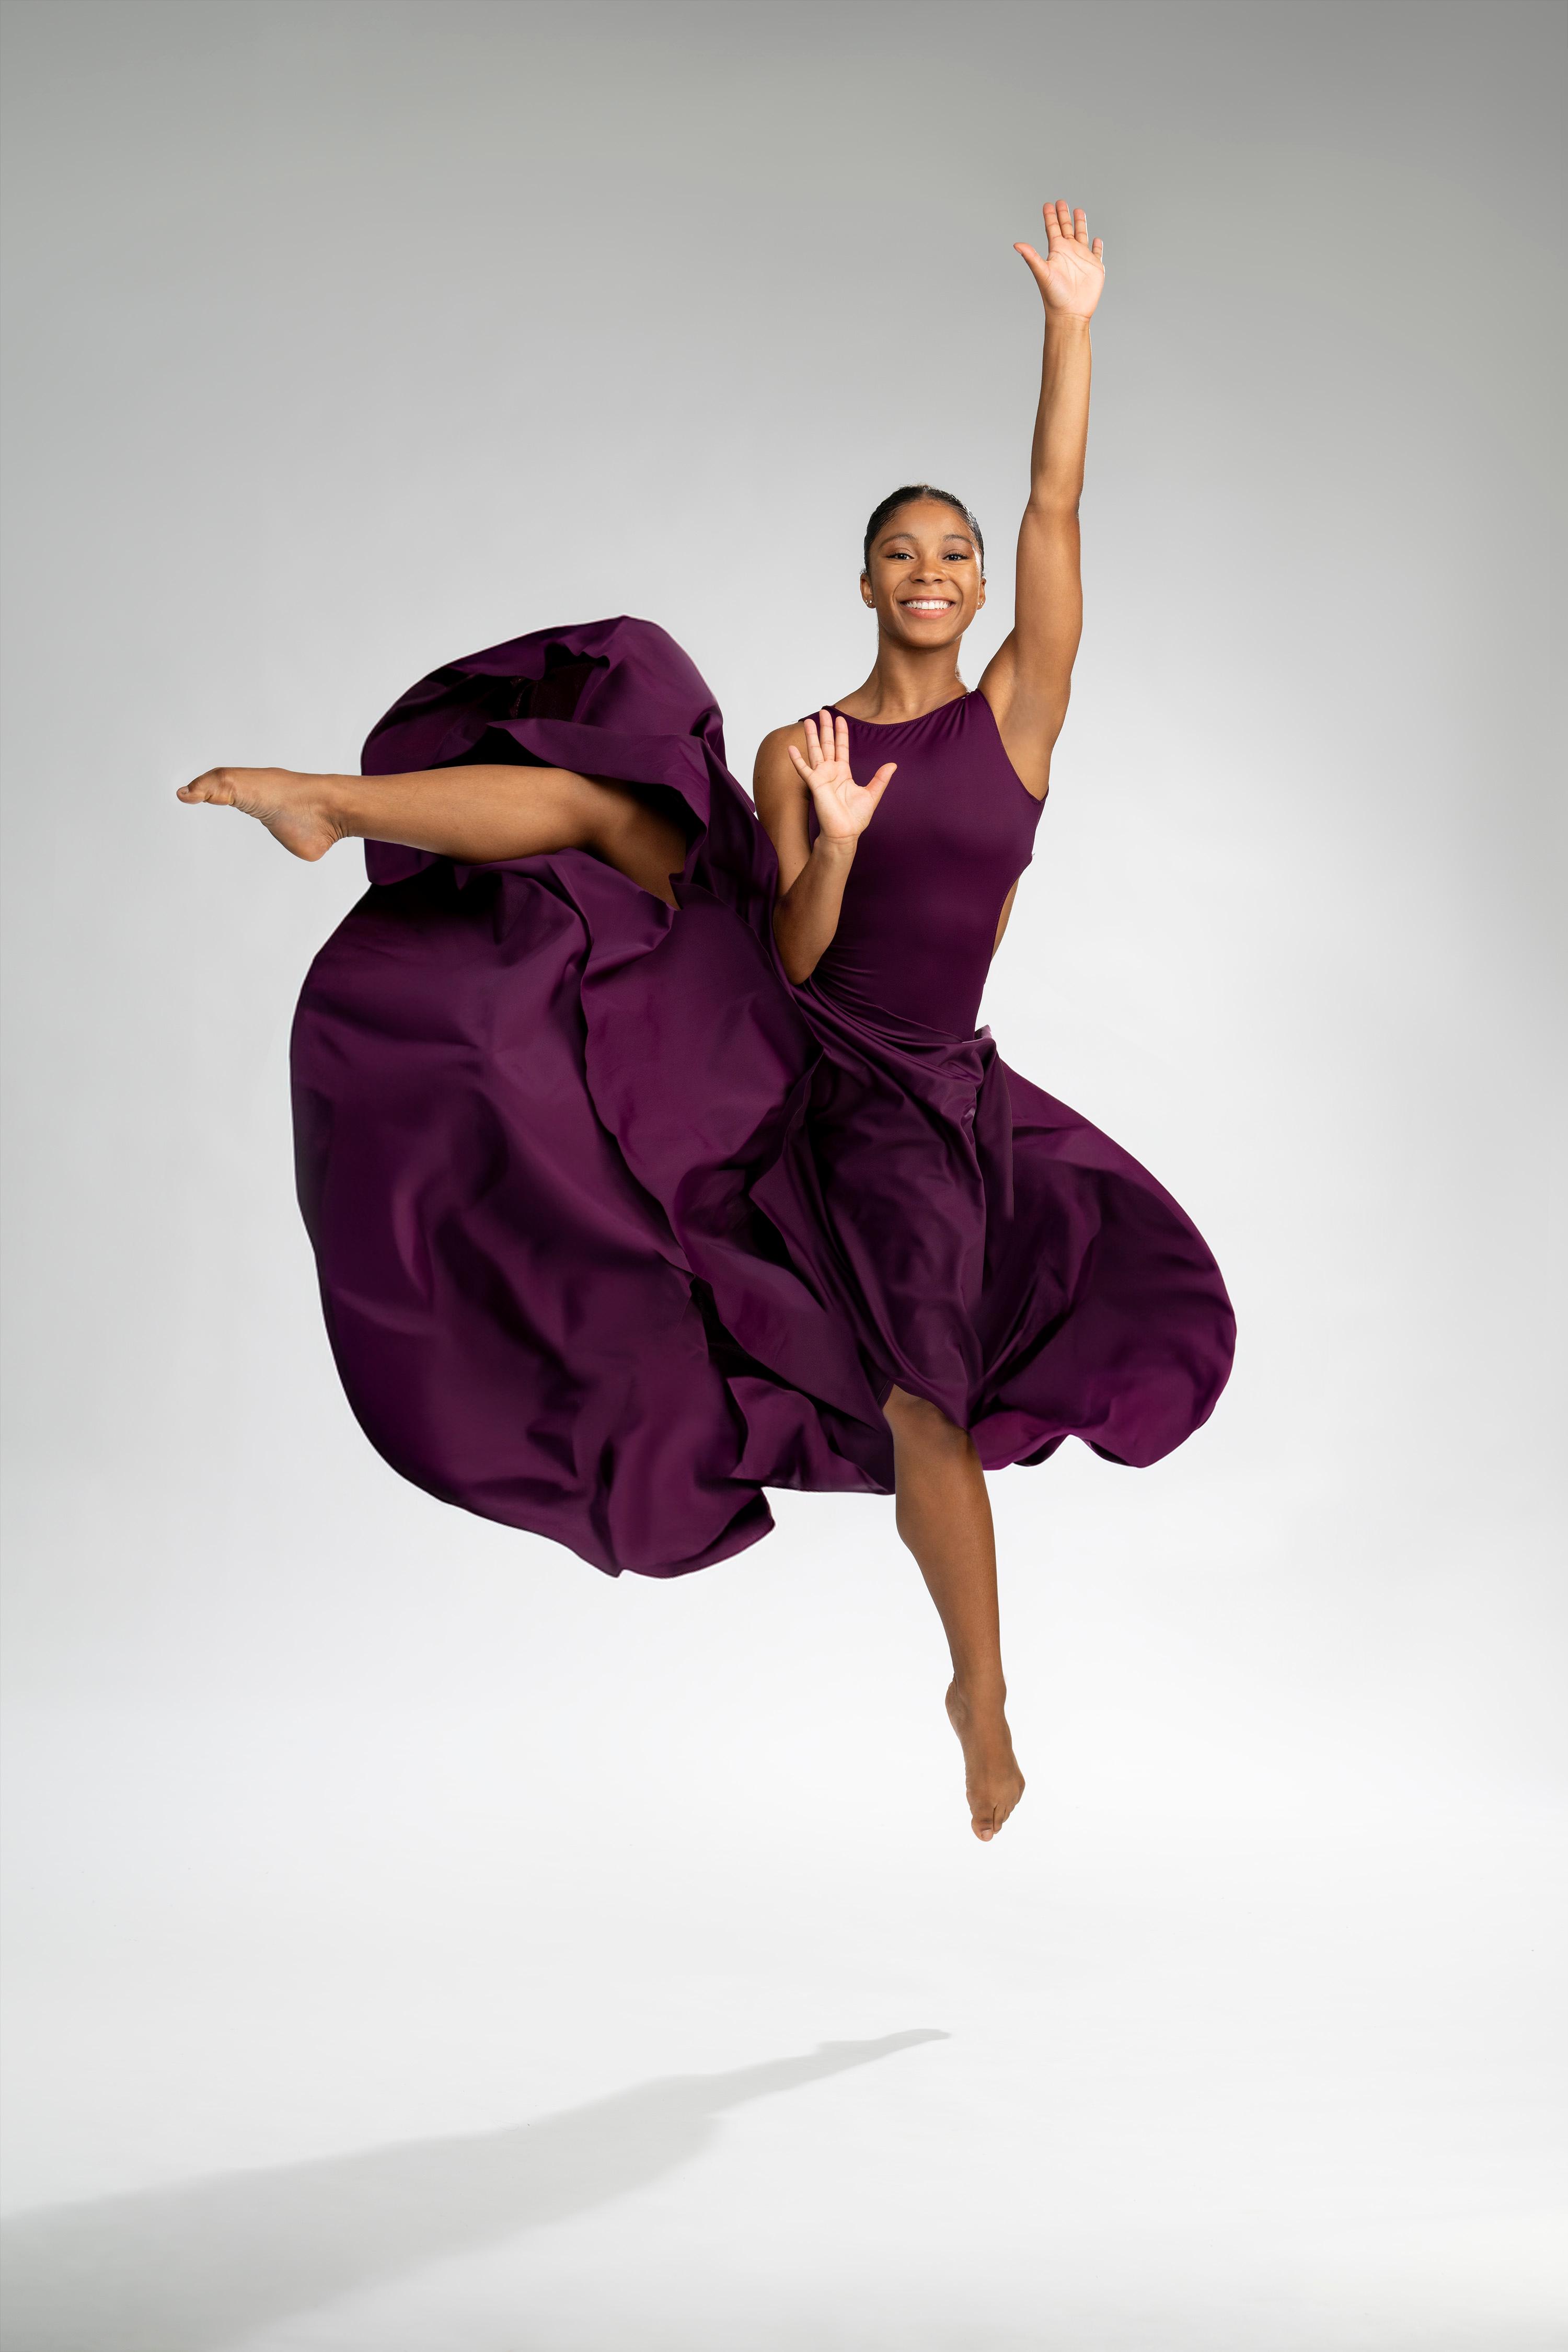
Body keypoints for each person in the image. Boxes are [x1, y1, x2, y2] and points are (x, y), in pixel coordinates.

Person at [177, 201, 1235, 1841]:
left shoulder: (1022, 715)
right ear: (866, 580)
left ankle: (982, 1695)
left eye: (955, 556)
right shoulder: (800, 751)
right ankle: (328, 798)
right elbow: (802, 951)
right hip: (782, 1033)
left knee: (920, 1401)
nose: (941, 574)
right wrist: (833, 837)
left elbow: (1056, 502)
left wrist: (1073, 326)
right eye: (907, 553)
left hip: (928, 1101)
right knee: (618, 808)